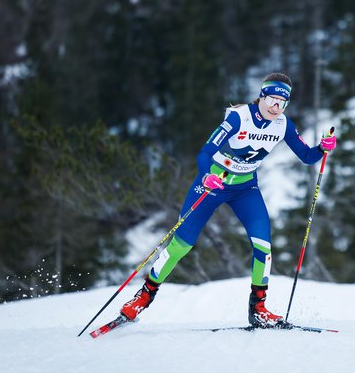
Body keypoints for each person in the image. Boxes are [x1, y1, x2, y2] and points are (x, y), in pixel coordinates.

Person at [119, 73, 337, 328]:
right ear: (262, 96)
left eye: (282, 103)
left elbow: (307, 157)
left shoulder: (283, 125)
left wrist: (323, 147)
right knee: (181, 246)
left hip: (245, 188)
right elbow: (206, 152)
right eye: (271, 99)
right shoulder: (239, 117)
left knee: (263, 246)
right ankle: (142, 298)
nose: (275, 107)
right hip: (213, 184)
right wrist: (207, 175)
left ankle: (258, 308)